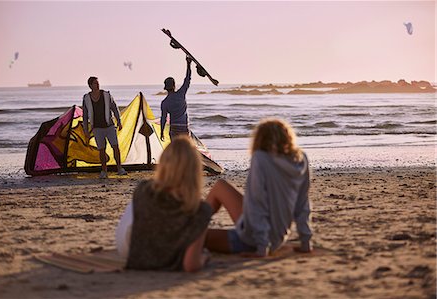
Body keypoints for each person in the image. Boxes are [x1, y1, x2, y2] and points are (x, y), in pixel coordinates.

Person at [205, 119, 313, 257]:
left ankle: (191, 229)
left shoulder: (260, 158)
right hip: (275, 236)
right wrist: (306, 242)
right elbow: (302, 204)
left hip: (254, 240)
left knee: (193, 238)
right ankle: (194, 224)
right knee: (220, 186)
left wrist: (262, 248)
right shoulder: (300, 159)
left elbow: (258, 202)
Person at [115, 136, 212, 272]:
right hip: (159, 259)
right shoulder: (200, 210)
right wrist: (204, 258)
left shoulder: (144, 189)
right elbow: (191, 265)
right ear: (195, 170)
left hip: (131, 252)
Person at [82, 76, 127, 179]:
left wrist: (119, 121)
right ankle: (104, 171)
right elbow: (85, 115)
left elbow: (114, 108)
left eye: (97, 83)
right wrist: (86, 130)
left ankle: (120, 168)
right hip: (97, 128)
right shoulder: (86, 98)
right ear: (90, 86)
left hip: (109, 126)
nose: (97, 85)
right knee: (101, 150)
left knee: (115, 147)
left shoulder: (106, 95)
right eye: (94, 83)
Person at [160, 56, 193, 141]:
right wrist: (188, 64)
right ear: (174, 85)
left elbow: (163, 118)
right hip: (184, 128)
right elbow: (187, 79)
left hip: (174, 129)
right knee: (185, 150)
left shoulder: (165, 102)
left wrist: (161, 132)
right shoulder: (181, 94)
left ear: (166, 88)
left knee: (176, 152)